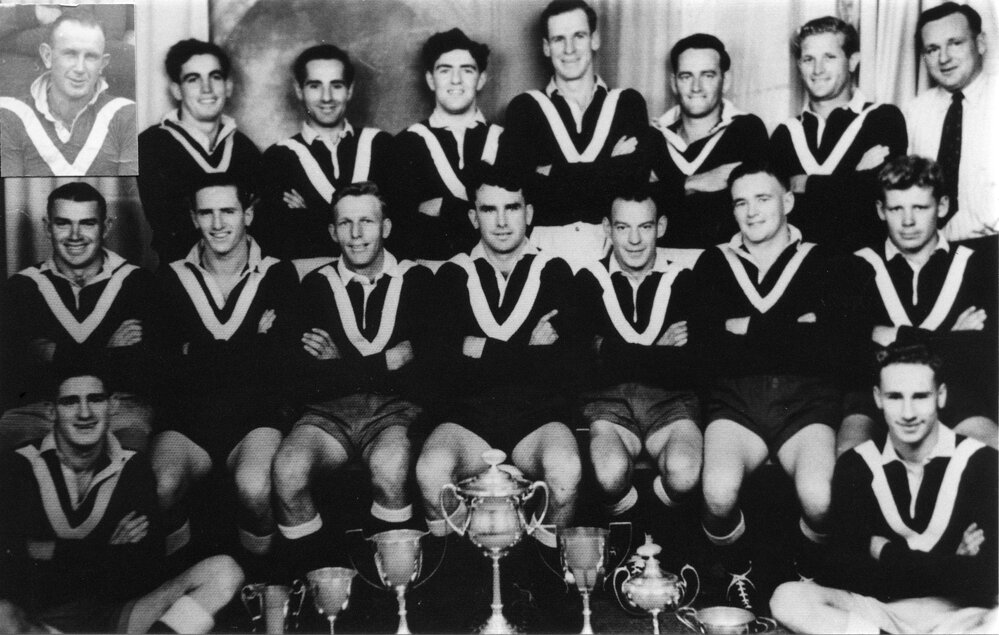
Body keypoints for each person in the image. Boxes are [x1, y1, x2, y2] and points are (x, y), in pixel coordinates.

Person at [690, 160, 842, 611]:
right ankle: (739, 570)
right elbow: (706, 347)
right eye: (740, 202)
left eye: (763, 198)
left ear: (788, 201)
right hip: (736, 401)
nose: (752, 212)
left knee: (821, 497)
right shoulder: (714, 262)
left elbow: (831, 347)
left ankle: (804, 572)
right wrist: (795, 329)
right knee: (717, 492)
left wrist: (743, 329)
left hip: (807, 401)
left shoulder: (822, 258)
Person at [770, 343, 998, 634]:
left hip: (959, 615)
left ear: (940, 396)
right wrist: (951, 563)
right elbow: (846, 572)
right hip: (883, 614)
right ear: (878, 398)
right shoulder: (858, 466)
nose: (907, 412)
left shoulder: (982, 463)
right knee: (788, 598)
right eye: (894, 397)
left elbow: (985, 577)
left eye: (920, 396)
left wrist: (886, 553)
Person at [0, 368, 244, 634]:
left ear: (112, 405)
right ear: (51, 411)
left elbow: (143, 569)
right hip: (39, 622)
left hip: (114, 617)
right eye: (70, 402)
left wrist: (50, 550)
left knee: (223, 573)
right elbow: (13, 562)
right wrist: (107, 547)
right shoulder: (20, 465)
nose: (85, 413)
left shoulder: (133, 467)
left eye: (95, 399)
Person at [272, 182, 433, 575]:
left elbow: (424, 374)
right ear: (332, 232)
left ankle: (392, 588)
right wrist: (386, 363)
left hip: (395, 412)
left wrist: (339, 363)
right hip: (327, 413)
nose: (356, 234)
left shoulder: (419, 282)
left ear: (387, 227)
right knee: (287, 471)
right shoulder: (313, 285)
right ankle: (323, 581)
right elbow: (305, 377)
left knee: (391, 465)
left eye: (367, 221)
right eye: (345, 223)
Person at [151, 174, 300, 573]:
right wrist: (254, 341)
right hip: (187, 420)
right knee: (162, 487)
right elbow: (162, 368)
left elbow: (283, 365)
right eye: (207, 213)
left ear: (248, 214)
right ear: (193, 219)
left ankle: (258, 586)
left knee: (254, 487)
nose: (218, 224)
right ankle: (183, 585)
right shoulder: (169, 278)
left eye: (228, 211)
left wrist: (196, 349)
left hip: (255, 418)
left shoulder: (278, 274)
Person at [838, 155, 997, 454]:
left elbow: (984, 352)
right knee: (850, 460)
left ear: (943, 206)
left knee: (993, 450)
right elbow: (851, 352)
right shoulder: (857, 267)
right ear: (880, 210)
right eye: (896, 208)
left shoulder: (977, 266)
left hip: (953, 392)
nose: (908, 221)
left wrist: (895, 337)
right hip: (875, 398)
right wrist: (951, 338)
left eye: (920, 207)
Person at [575, 188, 703, 558]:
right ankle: (640, 538)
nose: (634, 240)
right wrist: (658, 352)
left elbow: (692, 365)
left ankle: (648, 535)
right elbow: (582, 365)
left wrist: (609, 350)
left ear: (660, 226)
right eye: (623, 227)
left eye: (645, 227)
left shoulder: (683, 281)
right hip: (609, 405)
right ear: (607, 228)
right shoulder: (587, 281)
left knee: (684, 471)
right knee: (610, 471)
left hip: (671, 403)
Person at [0, 182, 162, 453]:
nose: (75, 235)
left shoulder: (138, 283)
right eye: (63, 223)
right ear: (47, 227)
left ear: (106, 227)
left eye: (87, 223)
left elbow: (143, 373)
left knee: (129, 459)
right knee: (17, 466)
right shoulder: (21, 288)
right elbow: (17, 373)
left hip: (117, 406)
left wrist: (58, 355)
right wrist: (109, 352)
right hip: (42, 409)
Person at [498, 0, 649, 268]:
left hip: (615, 253)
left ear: (595, 39)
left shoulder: (627, 103)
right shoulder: (525, 108)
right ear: (546, 47)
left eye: (578, 36)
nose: (569, 49)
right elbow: (523, 190)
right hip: (542, 256)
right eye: (558, 39)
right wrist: (611, 165)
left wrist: (553, 172)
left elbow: (634, 184)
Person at [770, 16, 907, 253]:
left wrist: (806, 184)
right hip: (798, 272)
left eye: (829, 57)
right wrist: (854, 177)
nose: (817, 69)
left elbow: (879, 196)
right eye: (808, 59)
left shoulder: (882, 118)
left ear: (853, 61)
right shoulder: (785, 134)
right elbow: (772, 209)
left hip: (866, 268)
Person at [257, 44, 394, 260]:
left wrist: (308, 215)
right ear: (299, 90)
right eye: (315, 86)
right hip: (311, 285)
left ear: (349, 90)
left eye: (336, 85)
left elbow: (397, 230)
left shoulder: (381, 146)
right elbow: (281, 240)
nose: (326, 97)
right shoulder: (278, 158)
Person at [138, 38, 262, 268]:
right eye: (193, 79)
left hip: (242, 277)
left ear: (228, 86)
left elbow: (260, 225)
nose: (207, 89)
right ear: (176, 89)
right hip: (180, 279)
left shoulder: (247, 150)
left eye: (215, 77)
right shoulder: (150, 146)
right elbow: (170, 226)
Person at [392, 29, 503, 263]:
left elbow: (517, 220)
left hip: (497, 273)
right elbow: (403, 229)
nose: (456, 80)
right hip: (430, 275)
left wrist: (443, 207)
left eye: (467, 70)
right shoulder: (405, 144)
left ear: (481, 78)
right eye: (445, 70)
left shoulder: (505, 140)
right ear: (430, 79)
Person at [649, 33, 769, 249]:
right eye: (686, 76)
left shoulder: (747, 129)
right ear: (674, 83)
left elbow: (754, 203)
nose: (696, 87)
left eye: (708, 75)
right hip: (662, 265)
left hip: (727, 266)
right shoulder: (653, 137)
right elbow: (635, 206)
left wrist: (665, 188)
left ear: (725, 81)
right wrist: (693, 182)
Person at [0, 8, 137, 177]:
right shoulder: (12, 116)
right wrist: (32, 12)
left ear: (103, 64)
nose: (80, 68)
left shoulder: (125, 114)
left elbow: (128, 198)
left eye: (91, 57)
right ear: (47, 56)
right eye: (70, 54)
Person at [906, 2, 996, 244]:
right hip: (932, 253)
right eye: (932, 49)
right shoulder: (914, 112)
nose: (944, 58)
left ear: (981, 43)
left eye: (955, 43)